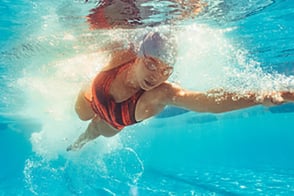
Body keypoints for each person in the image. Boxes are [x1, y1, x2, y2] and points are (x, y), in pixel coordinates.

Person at [67, 31, 294, 151]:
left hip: (113, 122)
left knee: (94, 131)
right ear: (138, 56)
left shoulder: (159, 94)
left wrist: (258, 97)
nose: (156, 76)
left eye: (165, 70)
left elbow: (206, 101)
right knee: (82, 114)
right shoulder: (121, 55)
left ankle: (81, 141)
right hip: (91, 97)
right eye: (151, 64)